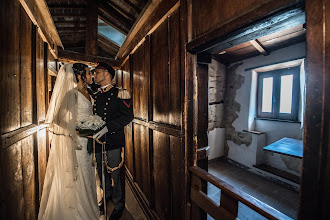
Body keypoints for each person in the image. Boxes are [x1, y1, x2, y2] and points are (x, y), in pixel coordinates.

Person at [38, 63, 99, 220]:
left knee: (88, 175)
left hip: (88, 143)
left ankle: (90, 210)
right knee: (79, 176)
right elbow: (56, 118)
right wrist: (76, 130)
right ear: (80, 76)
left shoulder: (88, 92)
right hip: (77, 142)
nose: (91, 75)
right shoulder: (72, 94)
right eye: (88, 73)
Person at [93, 62, 134, 220]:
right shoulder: (96, 94)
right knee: (101, 172)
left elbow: (128, 116)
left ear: (107, 73)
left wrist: (108, 128)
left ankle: (118, 204)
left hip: (114, 140)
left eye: (97, 72)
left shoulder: (120, 93)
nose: (95, 75)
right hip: (98, 141)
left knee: (115, 174)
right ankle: (106, 197)